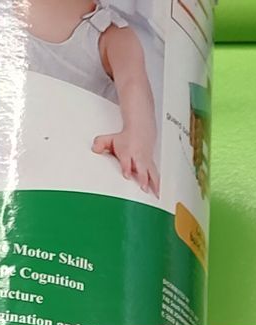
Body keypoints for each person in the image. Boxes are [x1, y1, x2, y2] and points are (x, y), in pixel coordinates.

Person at [26, 0, 161, 194]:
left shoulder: (112, 36)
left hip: (80, 156)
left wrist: (137, 138)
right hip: (28, 148)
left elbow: (134, 85)